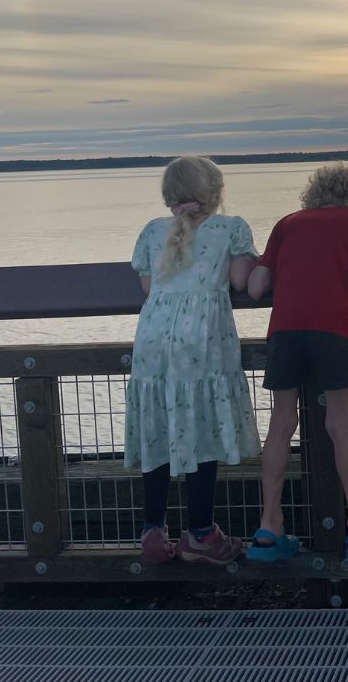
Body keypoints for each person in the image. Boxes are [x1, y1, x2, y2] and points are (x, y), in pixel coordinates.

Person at [248, 162, 348, 563]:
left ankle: (268, 524)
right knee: (340, 421)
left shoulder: (287, 223)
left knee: (281, 421)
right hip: (330, 329)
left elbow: (257, 287)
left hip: (285, 331)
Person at [125, 156, 261, 566]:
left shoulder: (152, 232)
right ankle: (200, 533)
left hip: (152, 340)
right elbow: (240, 282)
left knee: (159, 426)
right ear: (214, 193)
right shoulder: (231, 228)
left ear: (169, 195)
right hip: (200, 342)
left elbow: (149, 287)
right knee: (200, 428)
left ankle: (152, 531)